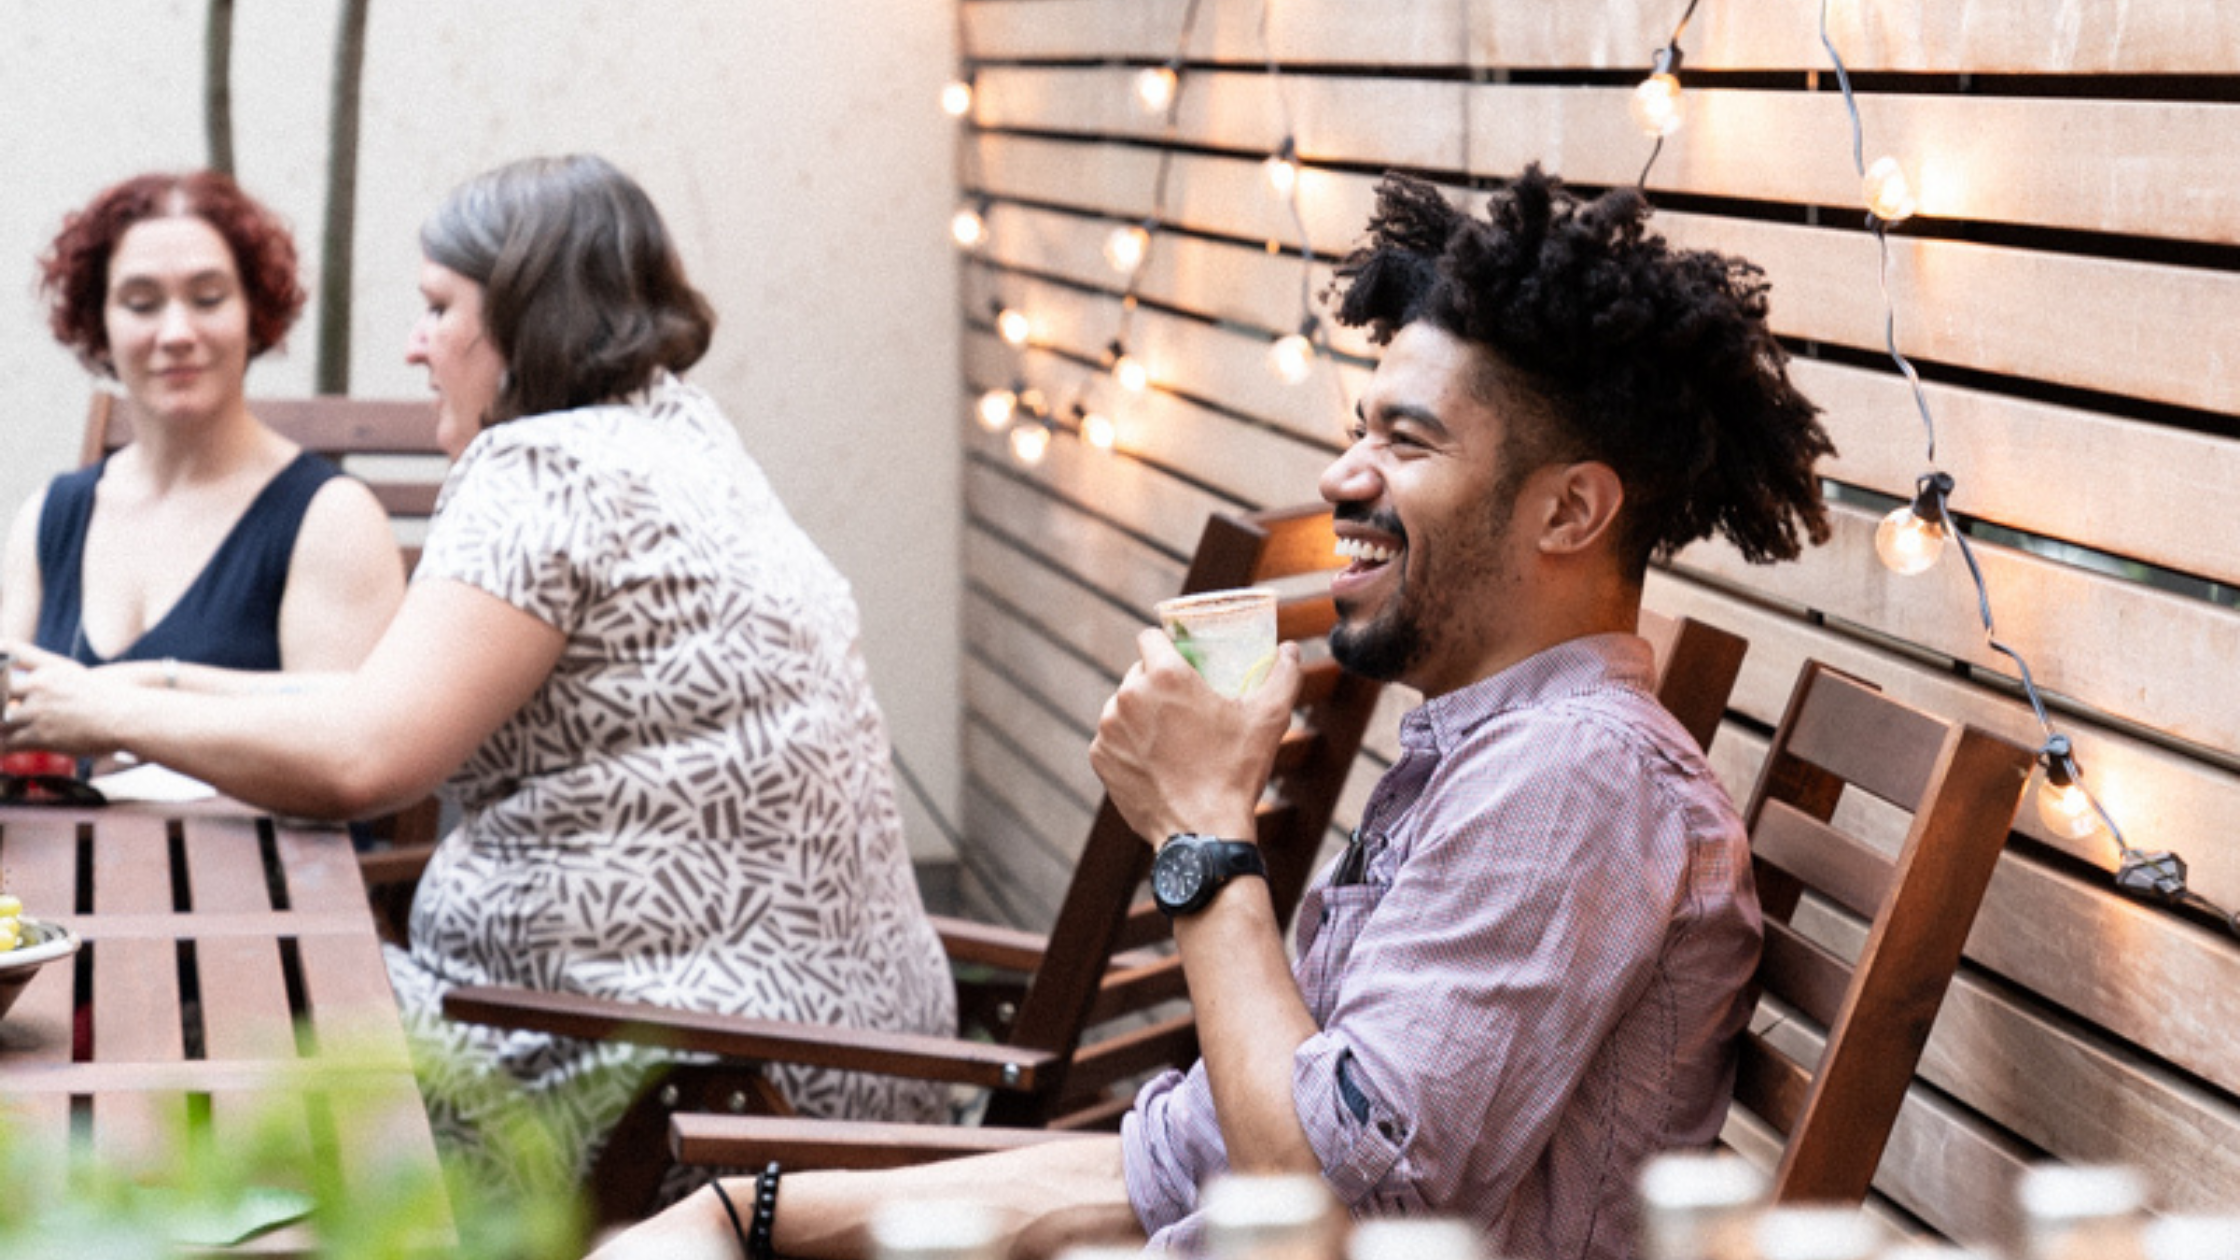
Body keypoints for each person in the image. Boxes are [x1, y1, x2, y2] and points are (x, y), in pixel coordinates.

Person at [586, 165, 1835, 1260]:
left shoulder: (1576, 785)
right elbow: (1183, 1165)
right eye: (1359, 431)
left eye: (1404, 442)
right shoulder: (1492, 756)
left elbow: (1327, 1225)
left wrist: (1200, 833)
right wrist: (750, 1213)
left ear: (1566, 515)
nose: (1342, 478)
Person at [1, 155, 957, 1186]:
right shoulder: (673, 436)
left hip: (663, 1075)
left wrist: (104, 703)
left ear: (527, 316)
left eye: (437, 308)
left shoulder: (536, 475)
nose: (413, 345)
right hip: (844, 1060)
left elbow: (364, 758)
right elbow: (389, 703)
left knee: (215, 1011)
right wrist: (154, 687)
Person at [0, 171, 403, 684]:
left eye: (208, 298)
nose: (176, 333)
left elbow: (348, 746)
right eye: (141, 304)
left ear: (254, 313)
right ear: (99, 324)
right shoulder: (49, 518)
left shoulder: (333, 521)